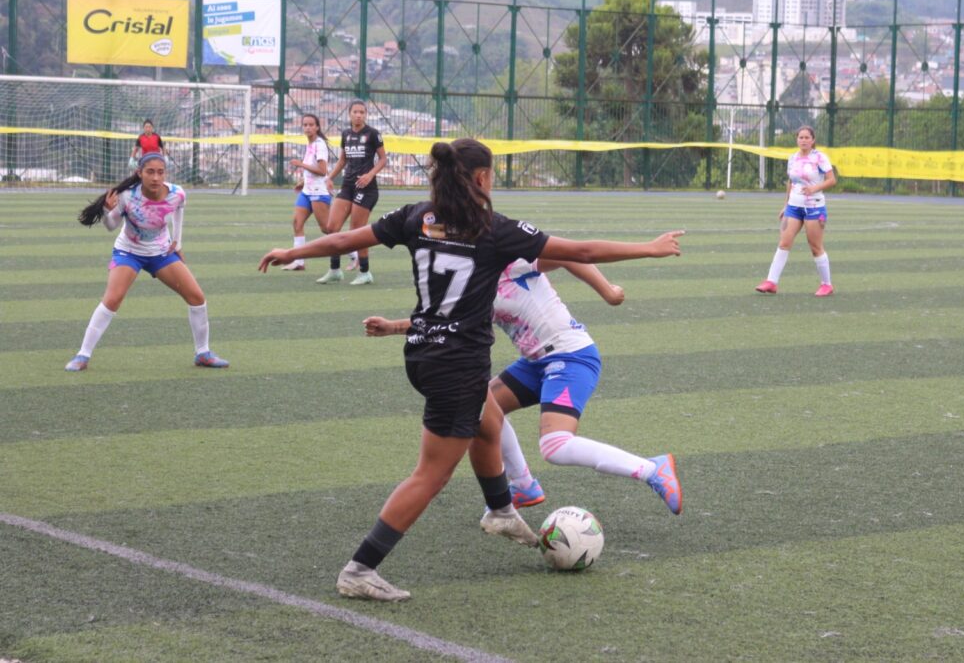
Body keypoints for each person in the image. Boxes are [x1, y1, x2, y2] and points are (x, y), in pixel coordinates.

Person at [257, 138, 683, 602]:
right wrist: (650, 248)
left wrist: (293, 251)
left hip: (422, 353)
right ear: (481, 178)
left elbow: (344, 239)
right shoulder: (493, 230)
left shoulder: (416, 216)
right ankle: (360, 570)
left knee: (490, 419)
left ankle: (501, 510)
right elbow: (579, 251)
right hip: (457, 365)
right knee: (431, 475)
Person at [364, 258, 683, 515]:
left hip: (571, 356)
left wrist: (608, 291)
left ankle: (651, 469)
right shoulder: (474, 286)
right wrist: (392, 327)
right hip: (534, 363)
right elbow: (441, 322)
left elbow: (571, 254)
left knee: (555, 446)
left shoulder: (508, 262)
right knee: (481, 407)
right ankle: (523, 486)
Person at [65, 153, 229, 371]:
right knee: (112, 299)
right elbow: (111, 226)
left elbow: (179, 211)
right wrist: (106, 210)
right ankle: (82, 355)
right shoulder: (126, 196)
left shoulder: (177, 193)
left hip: (161, 253)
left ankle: (203, 353)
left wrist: (177, 242)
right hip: (128, 252)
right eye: (150, 172)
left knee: (197, 297)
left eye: (160, 172)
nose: (155, 177)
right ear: (139, 173)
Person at [755, 125, 837, 297]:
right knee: (784, 242)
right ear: (797, 139)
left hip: (814, 206)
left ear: (813, 140)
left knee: (815, 247)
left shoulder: (819, 157)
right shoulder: (793, 158)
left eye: (807, 137)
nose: (804, 140)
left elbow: (831, 180)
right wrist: (785, 205)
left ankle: (826, 284)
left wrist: (814, 189)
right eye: (801, 137)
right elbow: (791, 183)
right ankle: (771, 282)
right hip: (794, 206)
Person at [315, 99, 386, 285]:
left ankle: (365, 272)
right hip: (347, 185)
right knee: (332, 228)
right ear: (350, 113)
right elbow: (342, 160)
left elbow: (383, 159)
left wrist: (370, 175)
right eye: (355, 112)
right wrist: (329, 177)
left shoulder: (372, 134)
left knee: (357, 231)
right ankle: (335, 270)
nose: (359, 115)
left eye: (362, 112)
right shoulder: (346, 134)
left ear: (366, 114)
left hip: (366, 188)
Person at [280, 114, 332, 272]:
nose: (308, 127)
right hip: (307, 191)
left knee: (327, 229)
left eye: (311, 125)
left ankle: (354, 254)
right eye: (305, 125)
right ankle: (298, 261)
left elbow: (322, 171)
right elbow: (313, 169)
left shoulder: (319, 144)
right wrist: (303, 182)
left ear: (317, 127)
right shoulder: (309, 144)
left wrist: (300, 164)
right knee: (297, 223)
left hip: (318, 192)